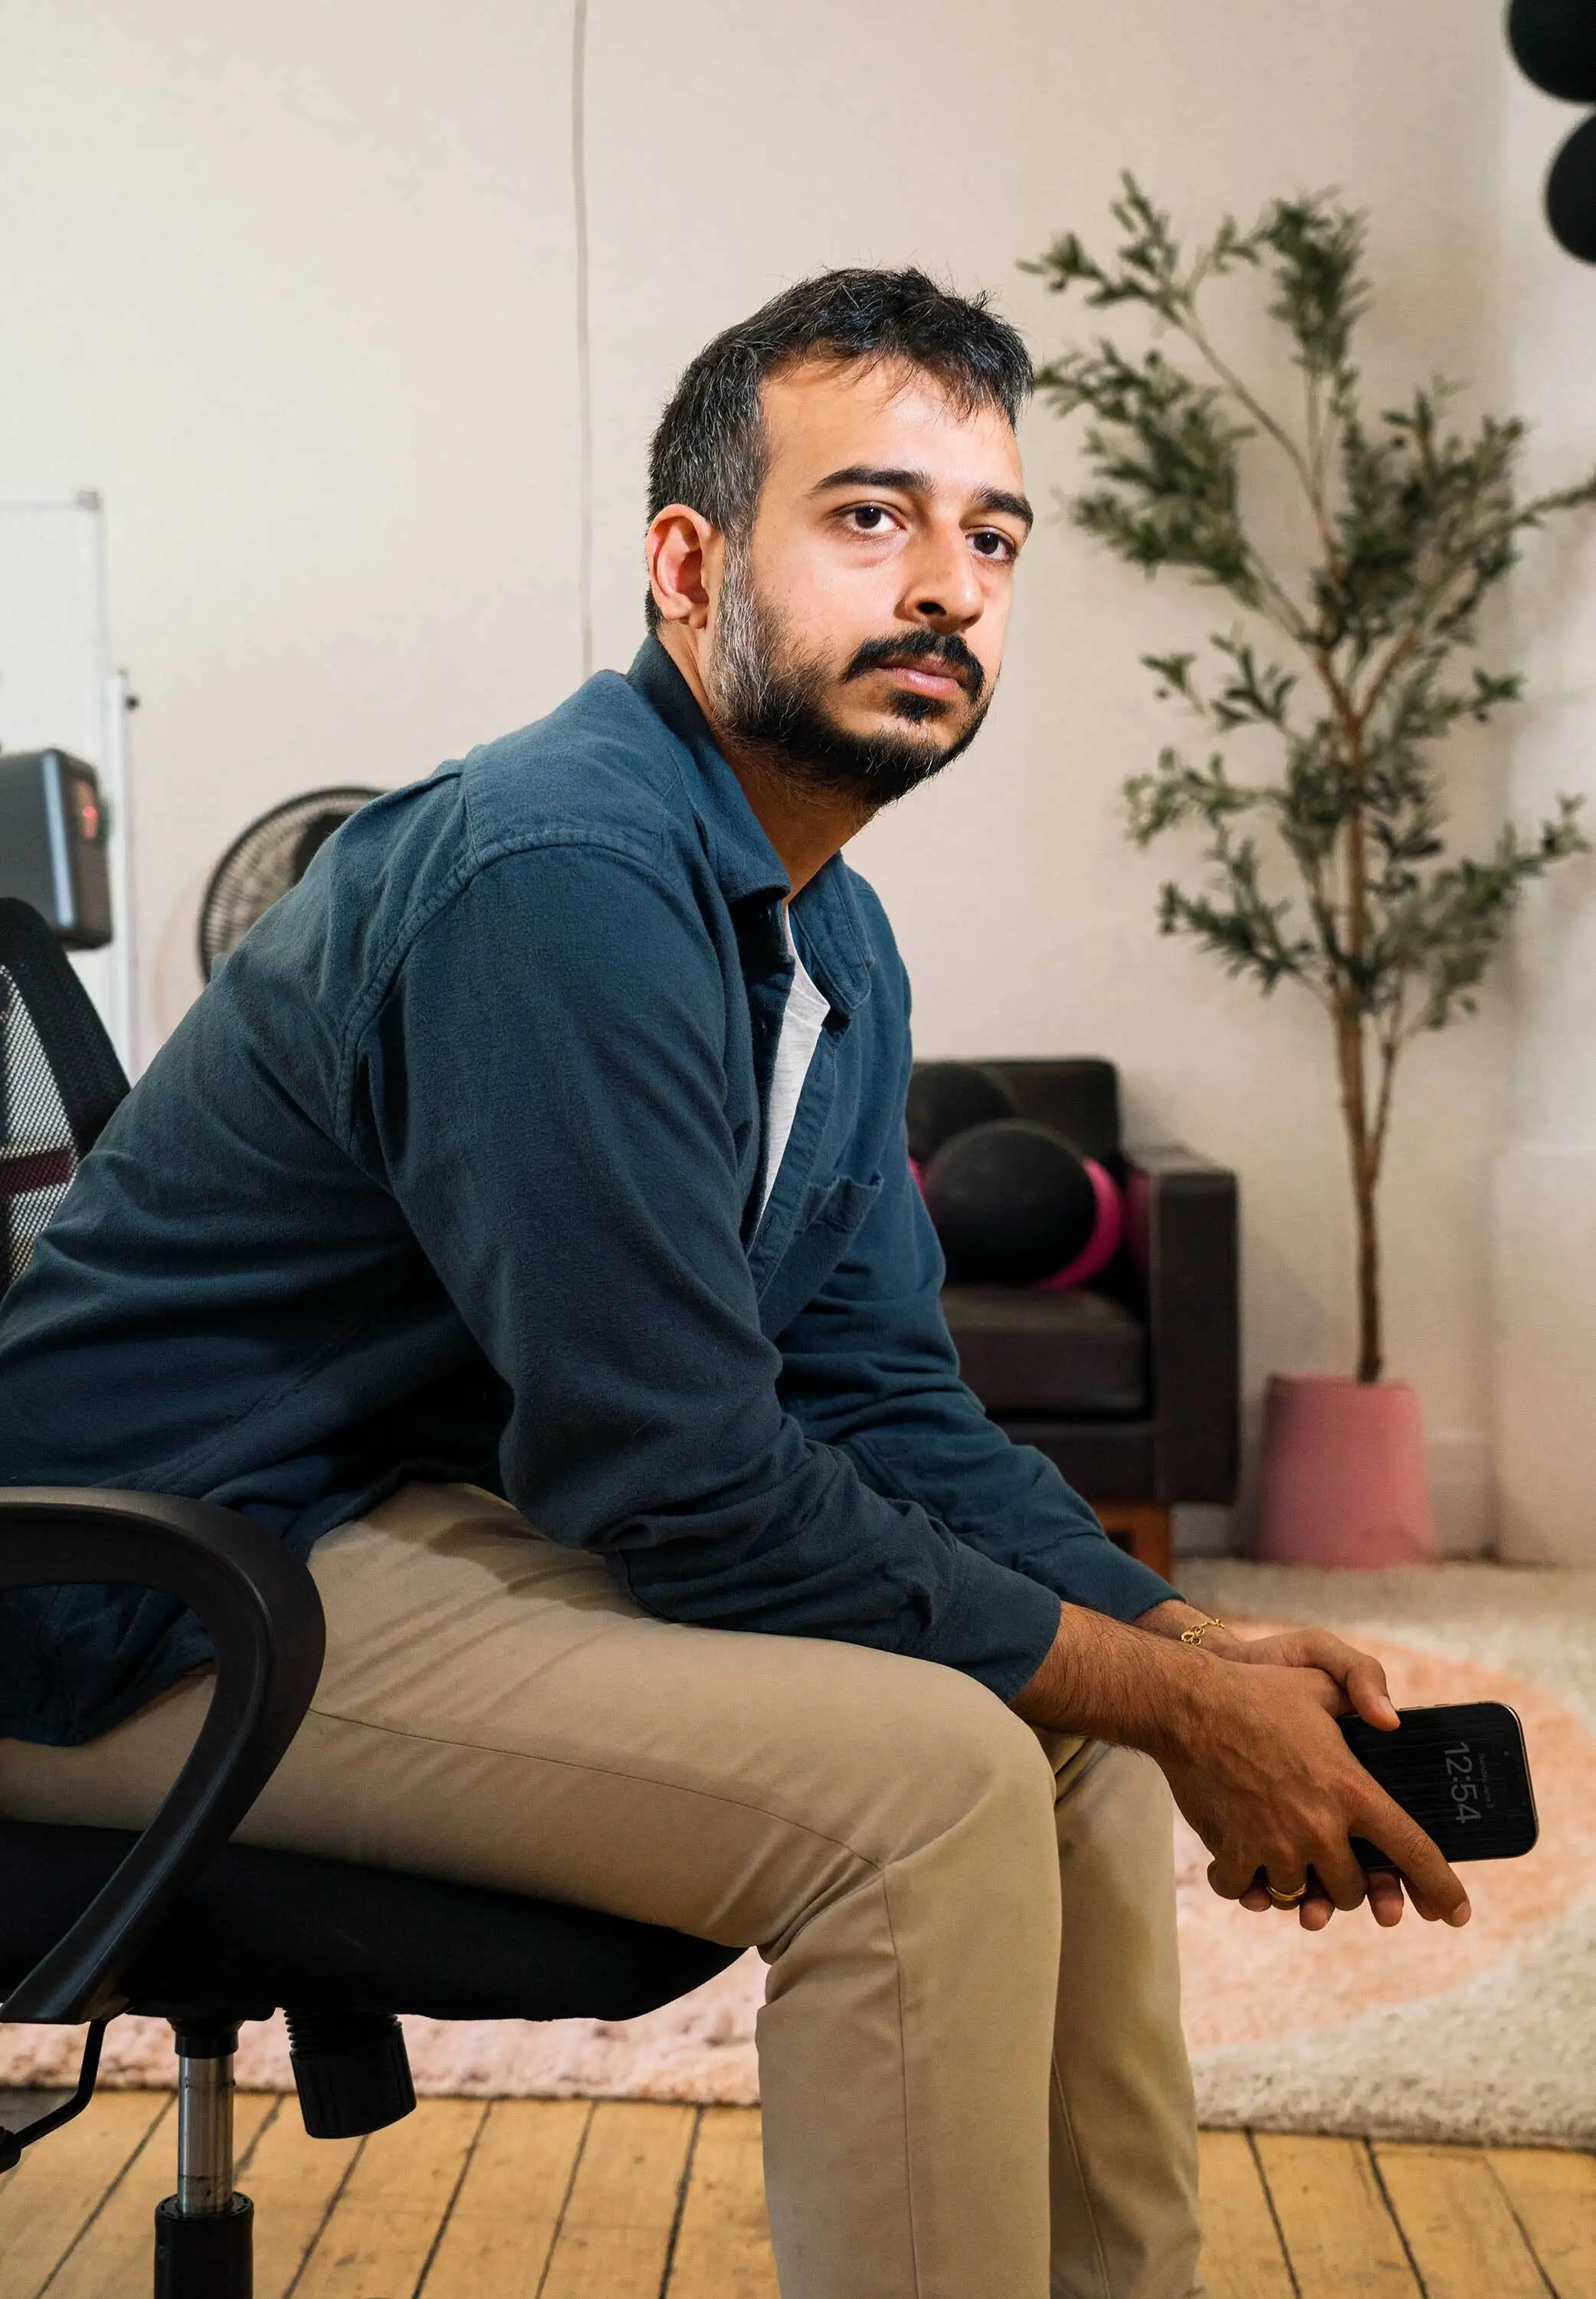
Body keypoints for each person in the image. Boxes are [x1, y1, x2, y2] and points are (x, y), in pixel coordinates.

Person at [0, 270, 1469, 2299]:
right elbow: (677, 1477)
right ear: (689, 569)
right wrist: (1170, 1692)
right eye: (869, 517)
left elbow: (878, 1395)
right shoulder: (554, 879)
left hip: (333, 1520)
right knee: (934, 1785)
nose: (945, 586)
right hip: (108, 1598)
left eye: (992, 538)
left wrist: (1190, 1645)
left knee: (1071, 1732)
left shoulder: (828, 934)